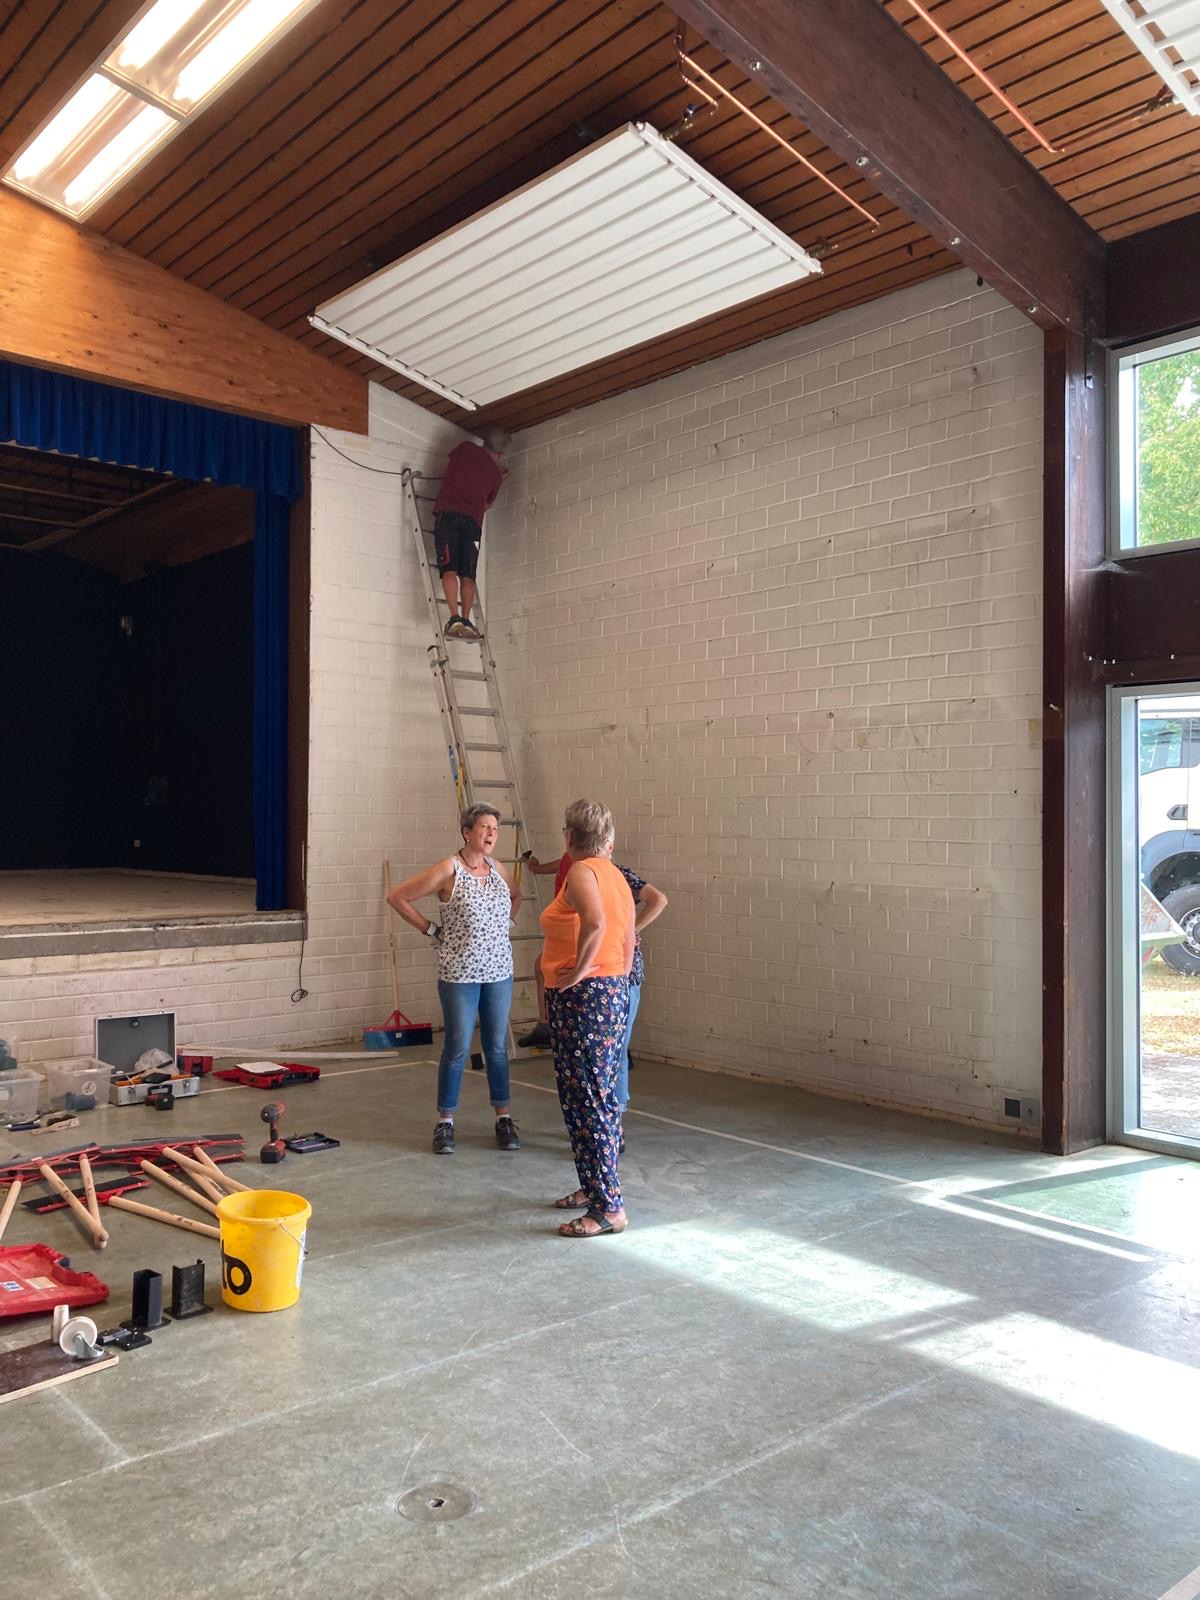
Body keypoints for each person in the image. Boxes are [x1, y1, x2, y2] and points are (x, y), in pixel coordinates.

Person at [386, 803, 521, 1155]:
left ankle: (504, 1118)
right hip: (460, 974)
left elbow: (516, 895)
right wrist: (431, 929)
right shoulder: (450, 869)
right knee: (457, 1046)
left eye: (495, 829)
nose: (491, 834)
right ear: (467, 832)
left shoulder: (498, 869)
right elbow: (397, 896)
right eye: (484, 827)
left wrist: (505, 924)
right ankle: (445, 1121)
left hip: (499, 972)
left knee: (496, 1048)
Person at [540, 799, 635, 1238]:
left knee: (587, 1101)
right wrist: (614, 981)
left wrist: (578, 974)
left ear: (569, 837)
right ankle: (594, 1187)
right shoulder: (614, 875)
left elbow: (595, 923)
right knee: (594, 1097)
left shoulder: (582, 872)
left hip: (585, 997)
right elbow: (628, 938)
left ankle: (608, 1207)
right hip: (610, 991)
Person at [433, 426, 510, 642]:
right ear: (500, 454)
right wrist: (498, 479)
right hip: (472, 523)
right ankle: (466, 620)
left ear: (485, 441)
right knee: (468, 574)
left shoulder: (465, 448)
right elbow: (486, 505)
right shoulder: (495, 474)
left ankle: (454, 617)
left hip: (449, 515)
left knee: (449, 568)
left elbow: (453, 461)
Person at [611, 865, 668, 1144]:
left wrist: (630, 932)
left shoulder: (620, 874)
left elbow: (658, 899)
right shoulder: (578, 875)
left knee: (618, 1048)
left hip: (624, 973)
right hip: (593, 973)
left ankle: (615, 1122)